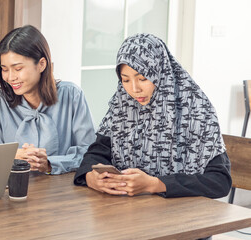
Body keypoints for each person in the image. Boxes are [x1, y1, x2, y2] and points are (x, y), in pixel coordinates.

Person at [74, 33, 231, 198]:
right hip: (132, 211)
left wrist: (155, 184)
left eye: (142, 78)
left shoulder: (196, 110)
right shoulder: (122, 106)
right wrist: (91, 177)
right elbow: (96, 153)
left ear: (160, 73)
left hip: (182, 215)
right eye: (125, 80)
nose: (134, 89)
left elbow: (219, 182)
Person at [0, 25, 95, 174]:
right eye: (4, 69)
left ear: (41, 64)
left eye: (18, 69)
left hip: (63, 191)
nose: (10, 77)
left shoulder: (72, 95)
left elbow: (90, 153)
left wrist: (50, 163)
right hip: (15, 188)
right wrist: (10, 157)